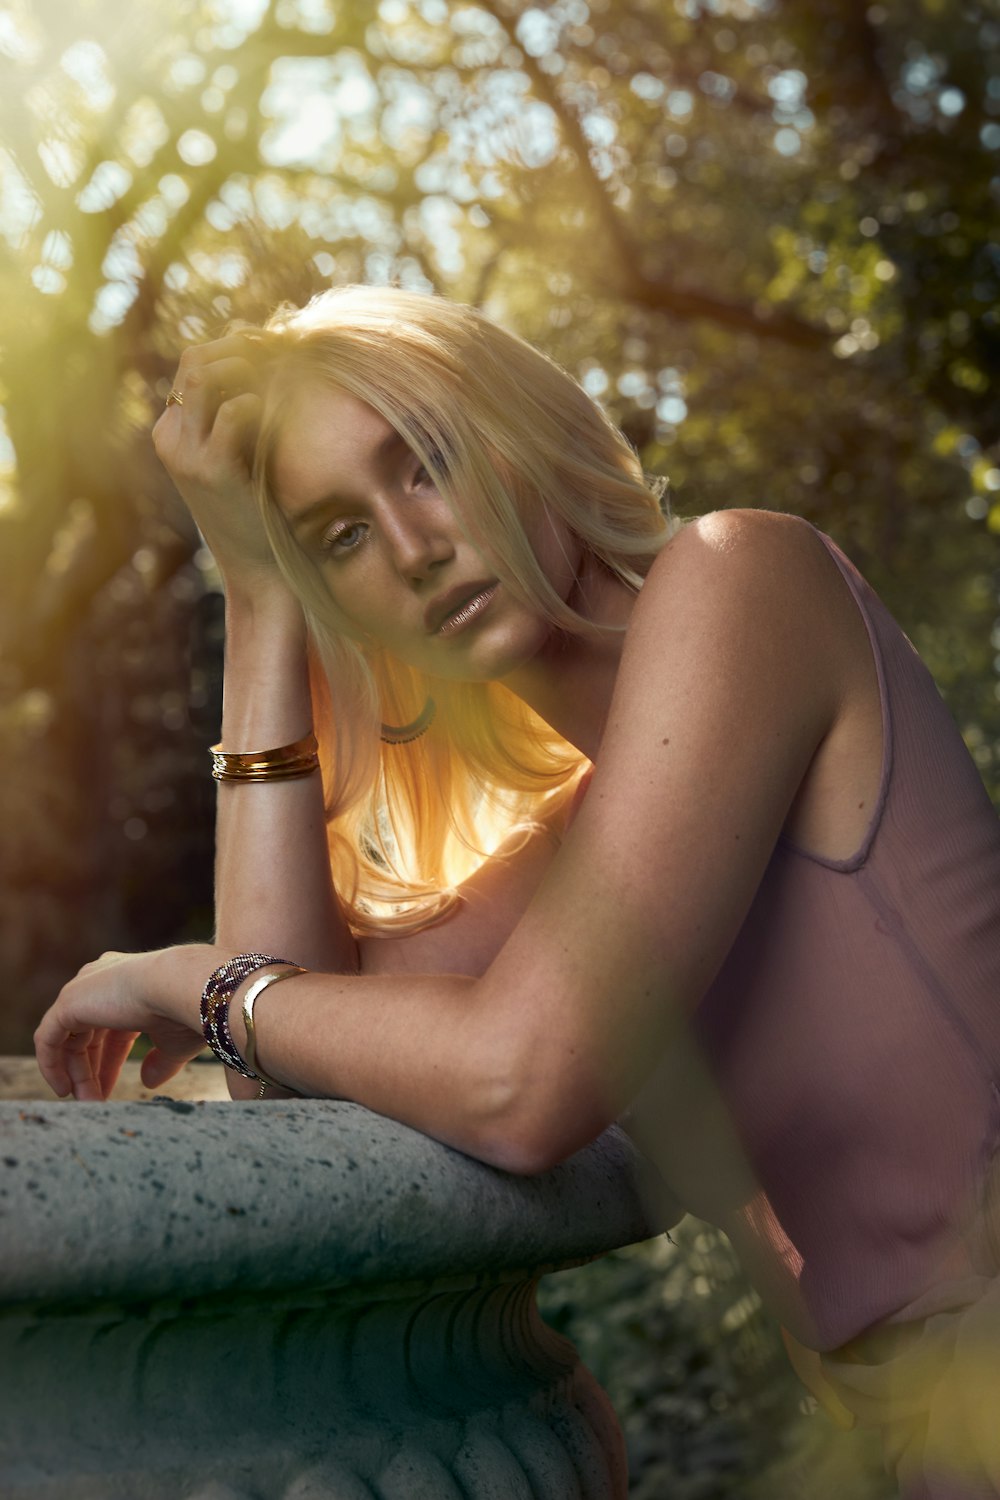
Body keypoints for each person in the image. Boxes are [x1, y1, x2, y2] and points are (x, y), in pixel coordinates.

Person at [34, 285, 1000, 1497]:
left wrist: (176, 976)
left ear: (521, 426)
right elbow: (276, 1074)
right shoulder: (571, 875)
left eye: (425, 461)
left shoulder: (745, 576)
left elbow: (515, 1079)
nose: (410, 544)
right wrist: (262, 599)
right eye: (338, 536)